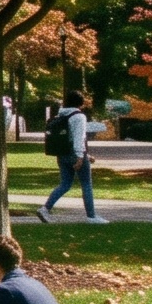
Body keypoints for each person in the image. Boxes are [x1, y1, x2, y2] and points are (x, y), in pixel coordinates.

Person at [38, 90, 106, 224]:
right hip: (75, 154)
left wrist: (87, 155)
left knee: (65, 184)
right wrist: (81, 156)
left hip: (62, 153)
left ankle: (45, 208)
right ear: (80, 102)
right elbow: (78, 138)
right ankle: (91, 217)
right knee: (86, 184)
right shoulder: (78, 116)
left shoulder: (61, 115)